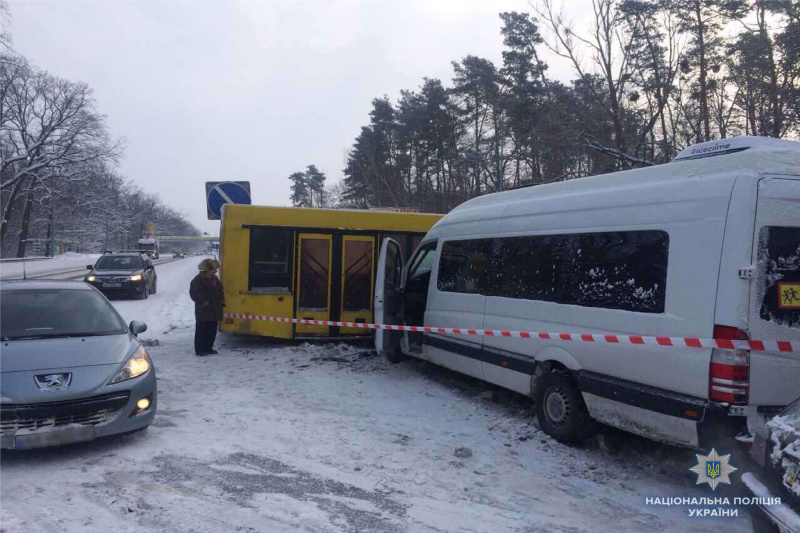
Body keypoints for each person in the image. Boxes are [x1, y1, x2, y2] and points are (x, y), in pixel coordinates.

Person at [189, 258, 225, 356]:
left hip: (214, 309)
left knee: (212, 329)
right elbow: (195, 294)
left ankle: (209, 348)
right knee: (202, 330)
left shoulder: (215, 279)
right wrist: (204, 303)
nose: (216, 271)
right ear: (208, 269)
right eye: (214, 269)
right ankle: (200, 350)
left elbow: (220, 291)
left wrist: (222, 301)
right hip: (203, 310)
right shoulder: (198, 280)